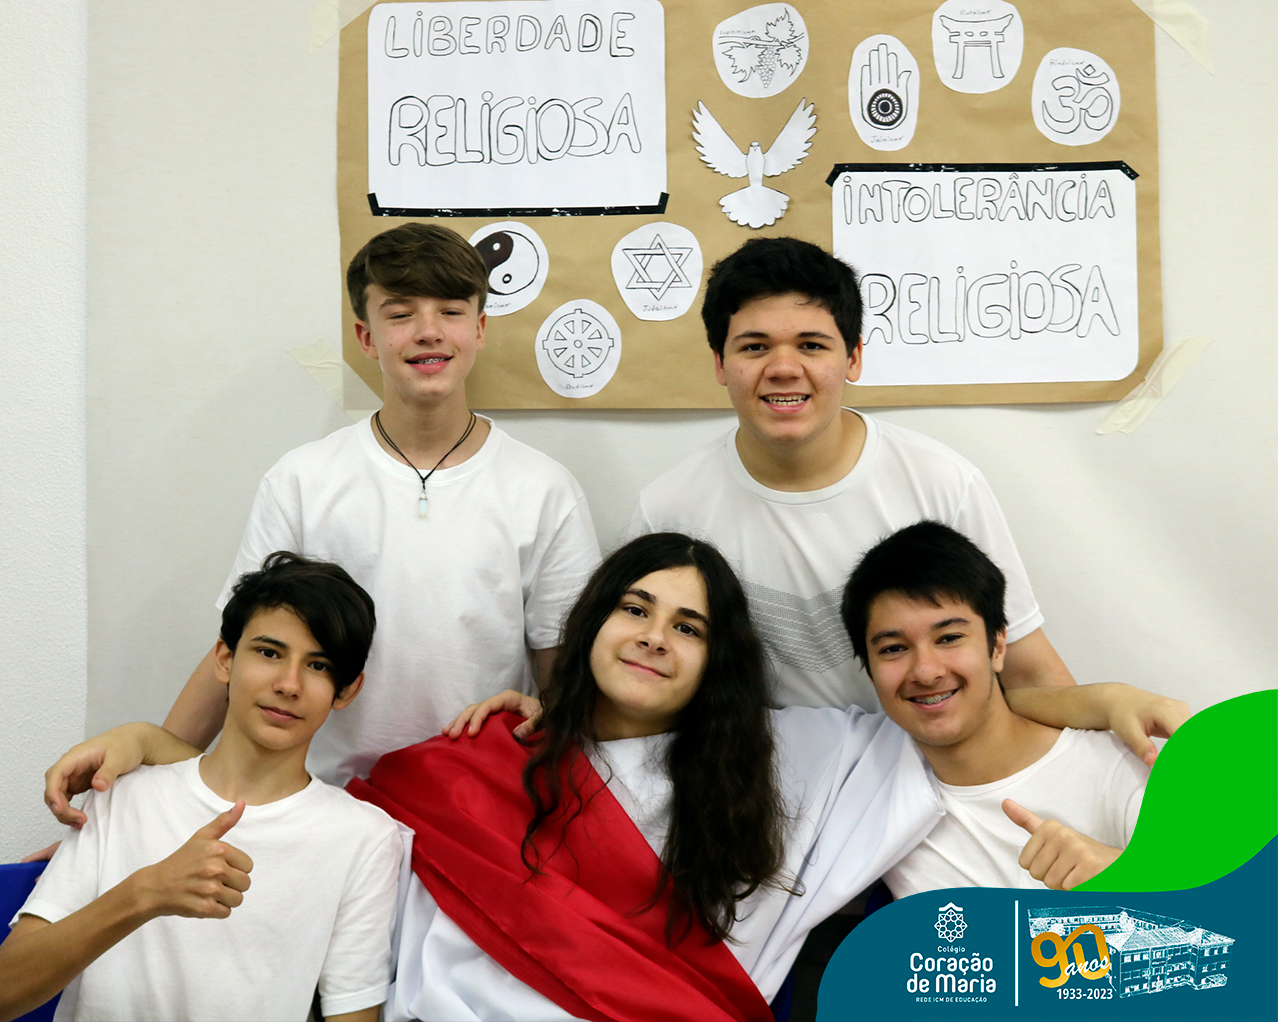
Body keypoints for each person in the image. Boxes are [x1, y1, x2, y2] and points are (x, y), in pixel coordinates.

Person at [347, 533, 1182, 1021]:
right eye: (634, 610)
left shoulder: (800, 761)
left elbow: (955, 717)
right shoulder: (481, 763)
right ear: (591, 621)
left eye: (688, 627)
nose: (654, 637)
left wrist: (1104, 702)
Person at [46, 223, 600, 806]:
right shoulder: (303, 480)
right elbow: (240, 649)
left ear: (480, 328)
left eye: (451, 311)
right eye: (400, 313)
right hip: (320, 802)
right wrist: (132, 805)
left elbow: (565, 680)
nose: (428, 331)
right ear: (366, 336)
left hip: (477, 808)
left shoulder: (545, 490)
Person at [630, 237, 1076, 718]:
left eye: (811, 346)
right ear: (720, 363)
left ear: (854, 357)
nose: (784, 369)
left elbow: (1027, 671)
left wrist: (1106, 719)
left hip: (931, 755)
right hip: (754, 762)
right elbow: (637, 683)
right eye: (755, 347)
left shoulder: (942, 483)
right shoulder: (667, 509)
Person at [1, 553, 404, 1022]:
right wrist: (145, 893)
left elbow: (352, 1013)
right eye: (269, 653)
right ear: (225, 659)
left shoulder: (364, 837)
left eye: (318, 665)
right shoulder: (125, 793)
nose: (289, 684)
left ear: (347, 690)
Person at [841, 522, 1150, 896]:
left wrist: (1124, 876)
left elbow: (1213, 916)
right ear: (868, 669)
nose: (925, 671)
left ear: (998, 645)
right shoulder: (866, 785)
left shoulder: (1118, 769)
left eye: (949, 638)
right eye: (893, 648)